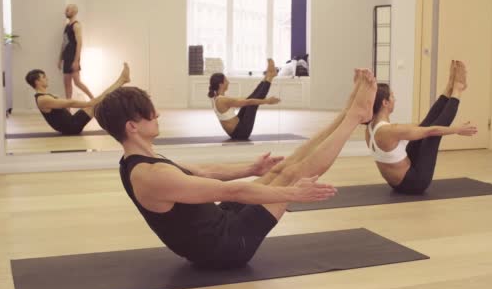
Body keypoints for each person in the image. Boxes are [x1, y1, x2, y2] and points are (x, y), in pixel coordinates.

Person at [94, 68, 378, 269]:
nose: (158, 114)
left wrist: (252, 169)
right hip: (226, 247)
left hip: (219, 222)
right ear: (132, 127)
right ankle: (355, 117)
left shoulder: (144, 158)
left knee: (285, 167)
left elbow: (204, 172)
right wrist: (293, 194)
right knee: (291, 175)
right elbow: (233, 191)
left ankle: (346, 113)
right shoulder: (150, 176)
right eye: (149, 113)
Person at [365, 60, 478, 194]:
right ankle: (457, 89)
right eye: (392, 96)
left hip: (398, 182)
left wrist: (427, 125)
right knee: (431, 135)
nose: (395, 100)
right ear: (385, 102)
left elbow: (422, 126)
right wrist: (457, 130)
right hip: (415, 183)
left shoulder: (370, 128)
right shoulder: (390, 130)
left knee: (425, 126)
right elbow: (432, 131)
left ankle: (450, 87)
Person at [24, 63, 130, 135]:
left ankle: (121, 81)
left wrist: (90, 103)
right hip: (71, 127)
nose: (47, 78)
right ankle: (121, 81)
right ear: (37, 82)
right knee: (99, 102)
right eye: (43, 77)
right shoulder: (43, 99)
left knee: (99, 102)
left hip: (72, 121)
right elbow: (70, 103)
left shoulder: (44, 97)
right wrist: (89, 103)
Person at [208, 59, 281, 140]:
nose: (228, 82)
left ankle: (268, 75)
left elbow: (246, 100)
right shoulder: (222, 100)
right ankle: (270, 76)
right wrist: (267, 101)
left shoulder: (215, 97)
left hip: (237, 128)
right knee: (251, 103)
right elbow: (249, 102)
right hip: (241, 132)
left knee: (250, 99)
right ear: (221, 84)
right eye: (226, 80)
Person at [58, 4, 94, 100]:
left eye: (68, 10)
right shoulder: (67, 26)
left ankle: (93, 99)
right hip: (66, 57)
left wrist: (76, 61)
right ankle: (68, 108)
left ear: (74, 11)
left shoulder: (76, 25)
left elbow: (79, 43)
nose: (65, 11)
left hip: (73, 57)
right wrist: (60, 59)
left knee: (77, 82)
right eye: (66, 10)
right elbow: (64, 43)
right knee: (67, 83)